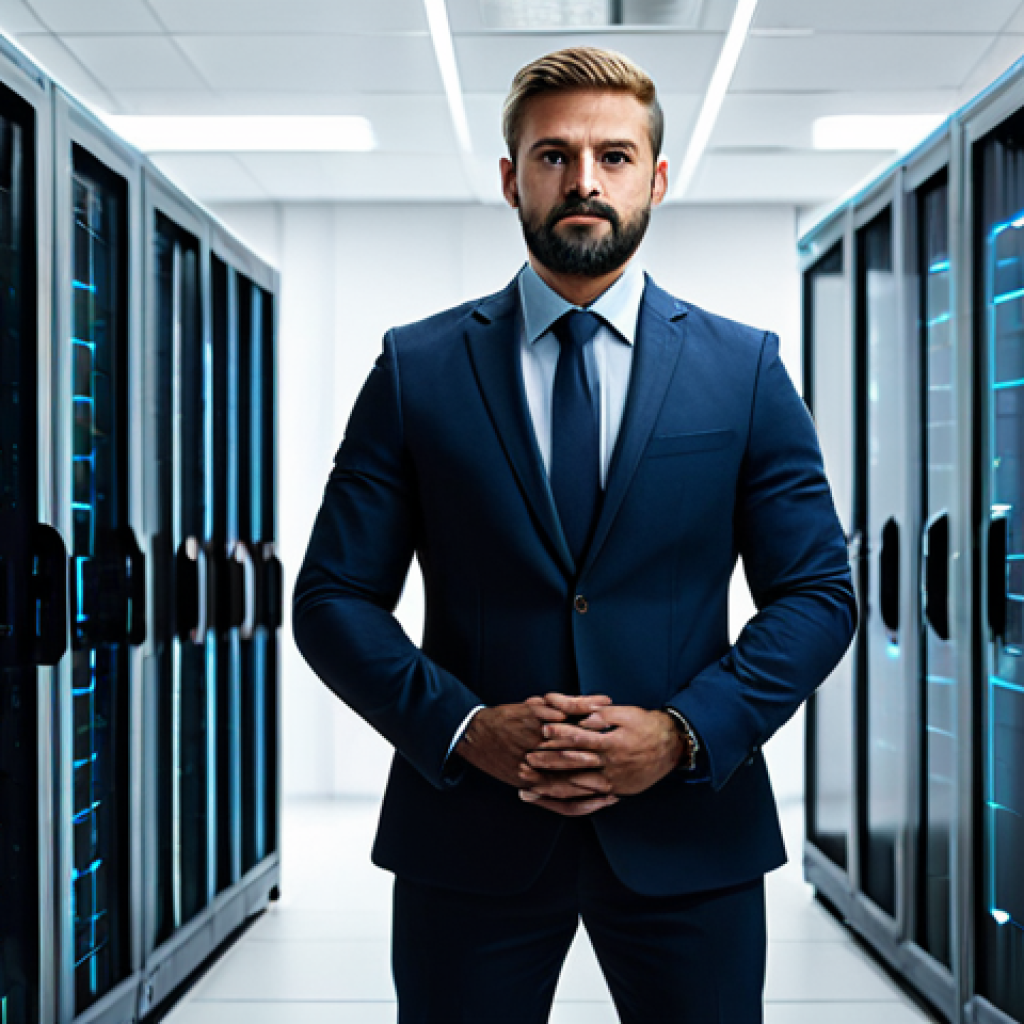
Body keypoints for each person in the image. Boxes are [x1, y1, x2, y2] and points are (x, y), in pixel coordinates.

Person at [293, 45, 856, 1024]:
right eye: (553, 156)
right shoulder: (416, 369)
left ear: (657, 177)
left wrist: (681, 733)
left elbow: (816, 595)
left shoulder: (744, 370)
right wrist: (466, 730)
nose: (584, 181)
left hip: (689, 830)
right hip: (468, 830)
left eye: (614, 155)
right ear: (510, 178)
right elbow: (333, 600)